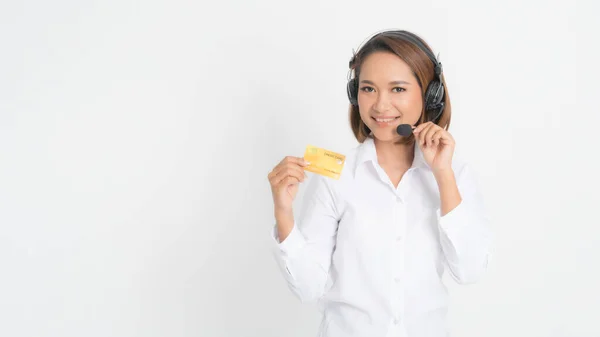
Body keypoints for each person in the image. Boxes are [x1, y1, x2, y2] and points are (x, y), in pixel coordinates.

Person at [267, 29, 493, 337]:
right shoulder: (338, 177)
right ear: (354, 94)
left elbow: (469, 271)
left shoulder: (456, 174)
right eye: (368, 89)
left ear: (430, 95)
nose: (380, 105)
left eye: (397, 89)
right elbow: (309, 289)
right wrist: (283, 213)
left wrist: (442, 174)